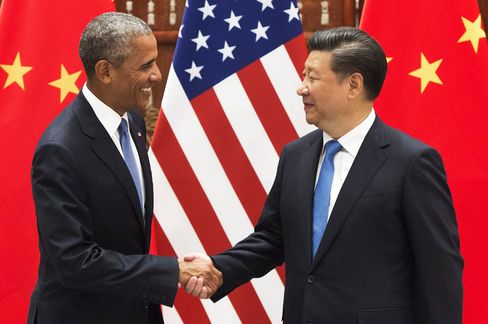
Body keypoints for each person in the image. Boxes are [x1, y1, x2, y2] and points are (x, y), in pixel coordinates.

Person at [184, 27, 463, 323]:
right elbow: (272, 238)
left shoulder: (411, 162)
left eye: (312, 77)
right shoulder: (296, 155)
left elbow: (439, 272)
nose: (301, 88)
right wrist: (219, 268)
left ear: (353, 85)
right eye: (304, 76)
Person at [27, 12, 221, 324]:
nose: (157, 75)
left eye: (155, 62)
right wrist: (174, 271)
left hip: (135, 311)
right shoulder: (60, 150)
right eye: (145, 66)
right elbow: (74, 261)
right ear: (105, 71)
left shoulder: (132, 121)